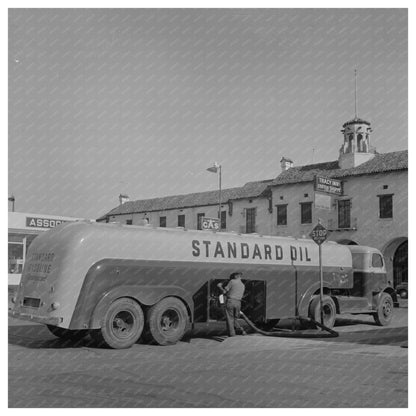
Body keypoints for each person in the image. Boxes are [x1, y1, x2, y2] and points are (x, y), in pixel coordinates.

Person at [217, 272, 247, 337]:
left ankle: (232, 334)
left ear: (236, 276)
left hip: (231, 302)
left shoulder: (232, 281)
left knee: (230, 319)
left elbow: (224, 291)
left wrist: (219, 286)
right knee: (235, 319)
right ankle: (242, 330)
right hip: (238, 303)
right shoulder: (243, 285)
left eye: (233, 276)